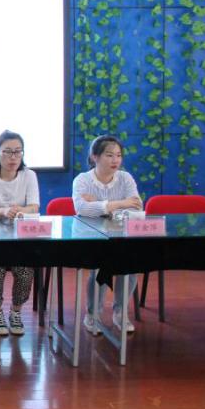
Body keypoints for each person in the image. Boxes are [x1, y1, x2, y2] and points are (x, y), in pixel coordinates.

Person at [72, 134, 143, 335]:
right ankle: (92, 315)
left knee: (129, 268)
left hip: (122, 237)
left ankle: (120, 313)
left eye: (118, 155)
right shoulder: (83, 180)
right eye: (109, 155)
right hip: (91, 238)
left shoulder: (125, 178)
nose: (115, 160)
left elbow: (136, 207)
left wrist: (100, 205)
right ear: (95, 157)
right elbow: (82, 209)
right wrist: (120, 204)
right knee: (98, 268)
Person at [0, 130, 40, 337]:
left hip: (21, 235)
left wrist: (20, 211)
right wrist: (4, 211)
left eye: (18, 152)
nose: (13, 157)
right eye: (8, 152)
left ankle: (16, 312)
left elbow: (34, 206)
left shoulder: (29, 175)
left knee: (25, 270)